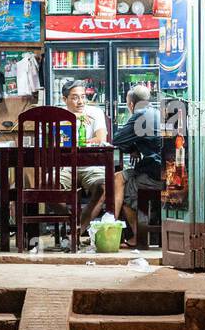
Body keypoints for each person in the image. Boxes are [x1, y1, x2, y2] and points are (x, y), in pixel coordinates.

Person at [111, 85, 164, 247]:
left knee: (122, 188)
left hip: (154, 174)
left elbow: (117, 139)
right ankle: (135, 233)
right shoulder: (157, 112)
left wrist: (131, 148)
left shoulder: (139, 116)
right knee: (118, 178)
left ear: (131, 105)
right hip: (165, 171)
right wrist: (134, 148)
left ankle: (136, 237)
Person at [56, 79, 110, 229]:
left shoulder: (95, 112)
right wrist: (74, 119)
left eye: (83, 96)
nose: (80, 102)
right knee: (46, 187)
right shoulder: (57, 115)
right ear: (64, 99)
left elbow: (100, 139)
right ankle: (72, 223)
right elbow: (56, 142)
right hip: (64, 167)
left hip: (91, 165)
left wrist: (77, 142)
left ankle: (78, 229)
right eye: (75, 97)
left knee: (103, 187)